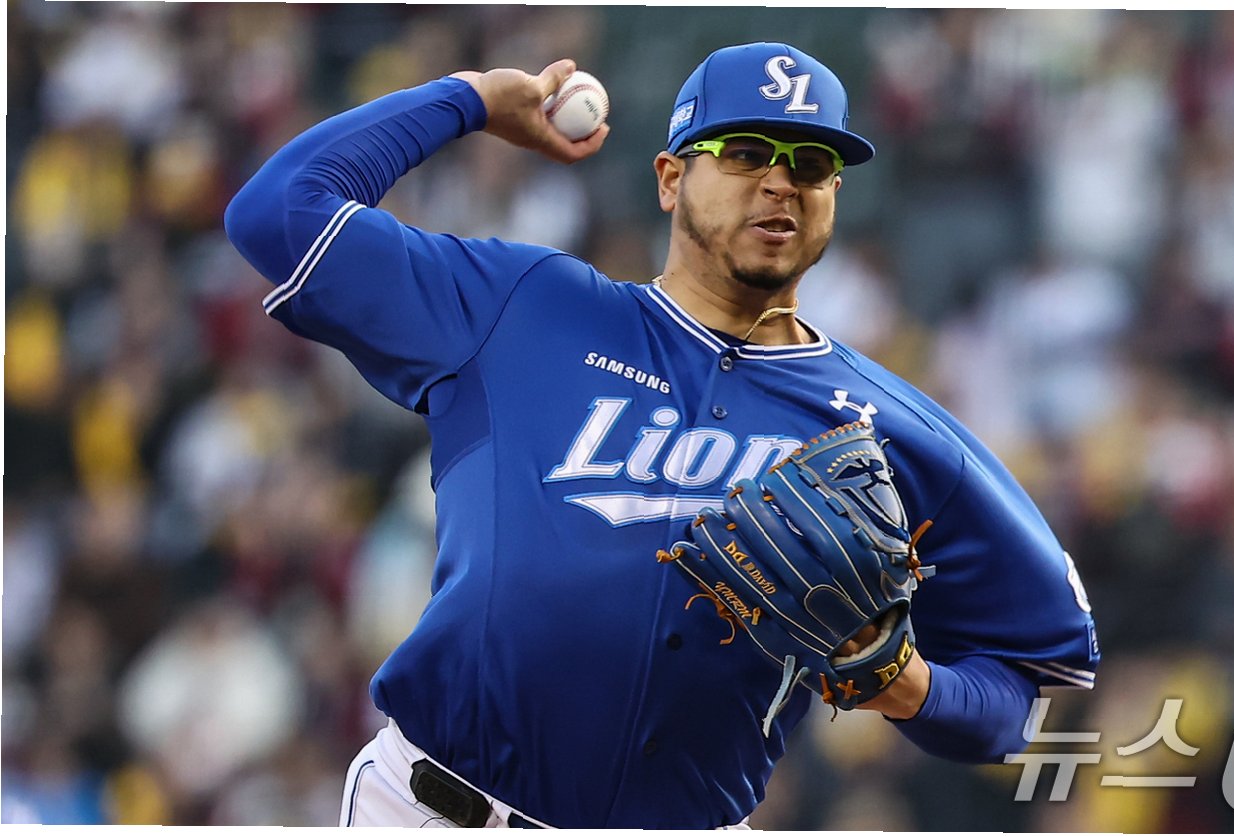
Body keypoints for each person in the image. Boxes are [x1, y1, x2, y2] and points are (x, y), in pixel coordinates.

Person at [225, 41, 1099, 830]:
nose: (780, 182)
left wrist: (906, 684)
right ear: (670, 178)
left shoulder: (897, 432)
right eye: (746, 152)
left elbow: (1021, 698)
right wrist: (472, 99)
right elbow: (277, 212)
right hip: (436, 809)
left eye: (811, 164)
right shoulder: (523, 307)